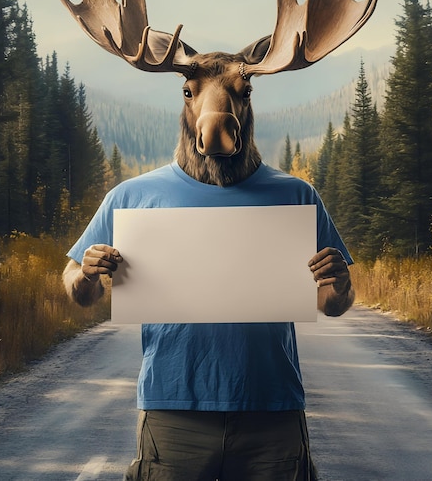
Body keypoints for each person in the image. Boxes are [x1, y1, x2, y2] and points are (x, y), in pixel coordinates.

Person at [63, 161, 354, 481]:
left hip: (272, 411)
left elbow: (333, 304)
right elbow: (79, 290)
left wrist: (340, 285)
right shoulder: (131, 195)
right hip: (173, 411)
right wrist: (87, 275)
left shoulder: (297, 194)